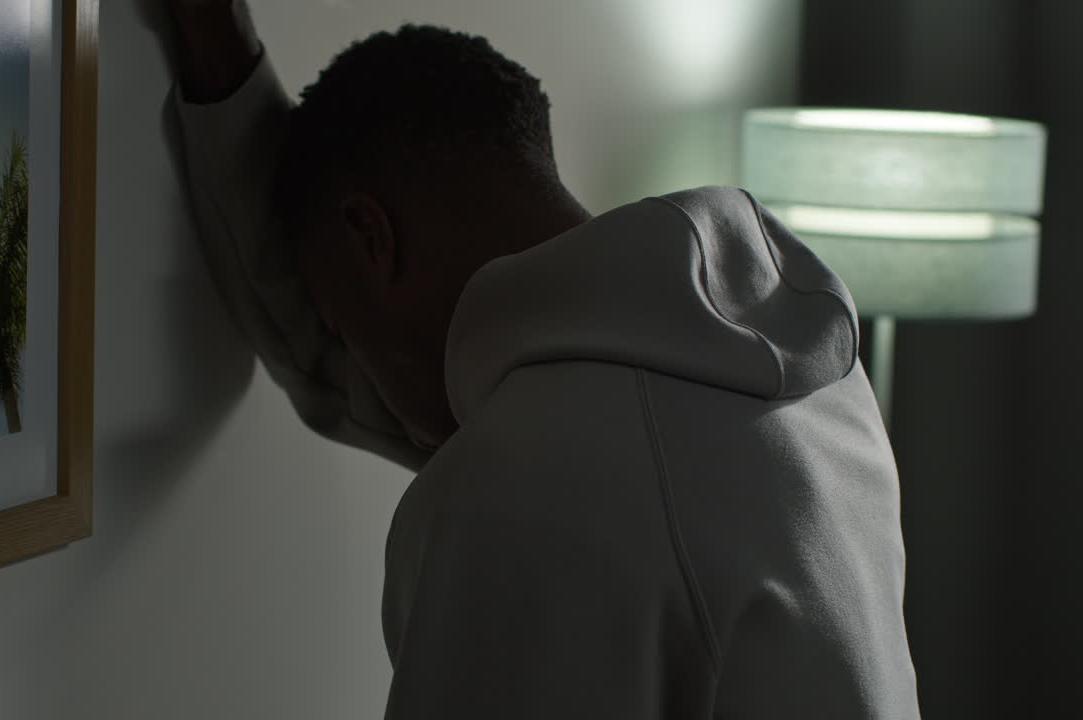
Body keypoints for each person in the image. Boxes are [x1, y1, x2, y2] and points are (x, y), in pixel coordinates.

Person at [163, 1, 921, 717]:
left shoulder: (507, 490)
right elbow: (327, 368)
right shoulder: (821, 389)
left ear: (371, 237)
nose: (345, 355)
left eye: (340, 319)